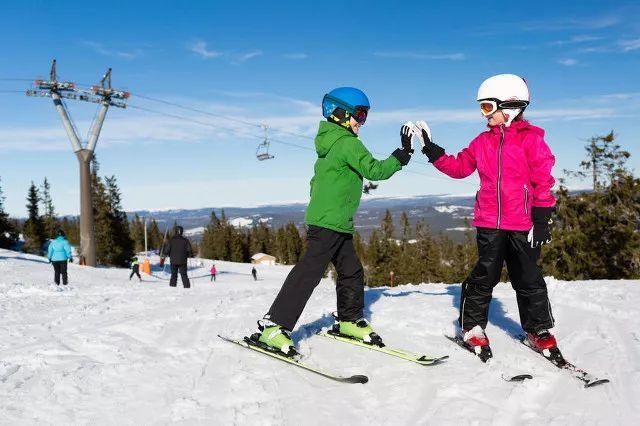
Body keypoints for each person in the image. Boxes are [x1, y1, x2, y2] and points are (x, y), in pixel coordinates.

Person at [253, 87, 414, 356]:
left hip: (334, 221)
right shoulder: (347, 142)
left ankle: (349, 321)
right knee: (308, 273)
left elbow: (316, 182)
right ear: (340, 114)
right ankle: (274, 327)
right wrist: (402, 154)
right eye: (360, 115)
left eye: (365, 116)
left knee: (351, 270)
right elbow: (374, 170)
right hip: (329, 222)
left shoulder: (329, 143)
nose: (362, 122)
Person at [415, 74, 557, 360]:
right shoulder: (482, 142)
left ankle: (538, 329)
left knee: (529, 278)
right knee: (484, 276)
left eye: (487, 107)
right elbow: (459, 168)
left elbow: (543, 178)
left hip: (523, 224)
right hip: (489, 223)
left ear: (510, 107)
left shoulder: (531, 141)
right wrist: (433, 151)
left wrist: (541, 218)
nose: (484, 115)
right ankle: (472, 327)